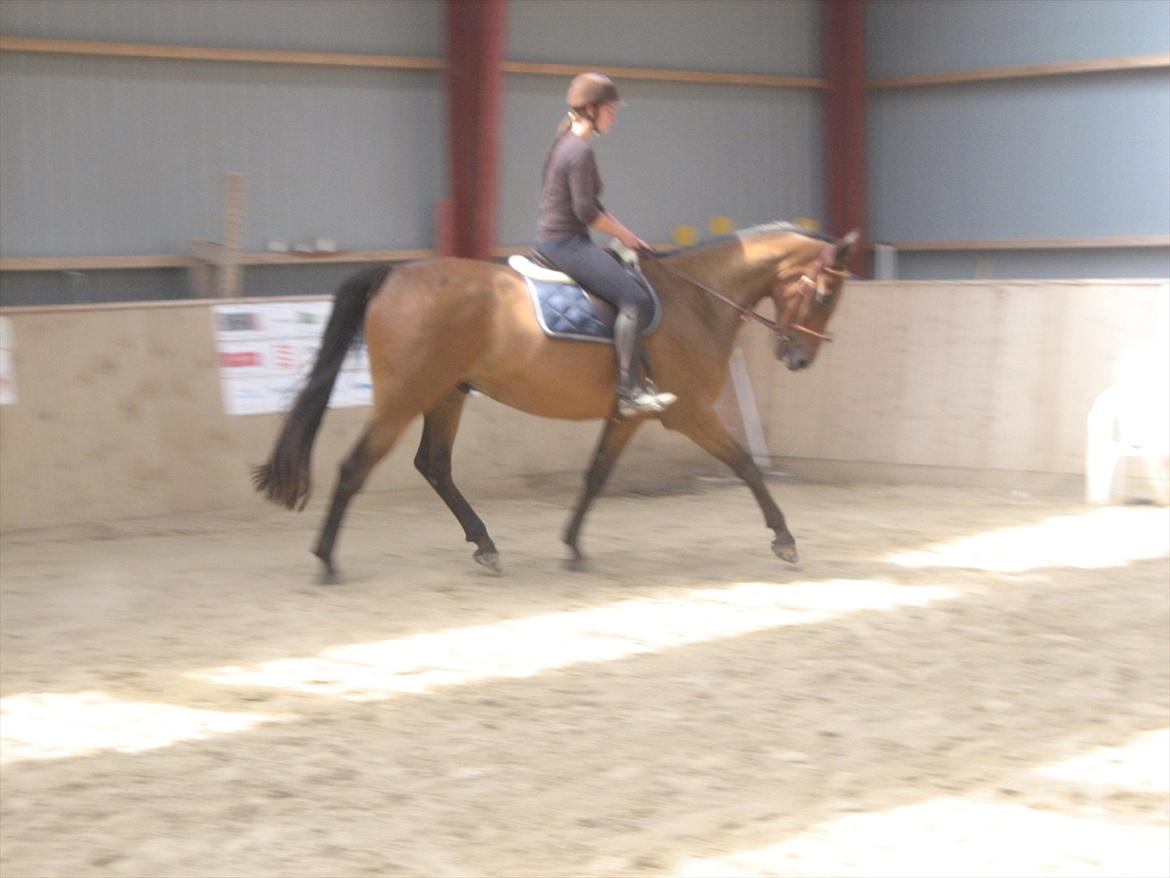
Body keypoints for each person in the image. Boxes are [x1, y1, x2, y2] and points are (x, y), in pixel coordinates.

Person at [535, 72, 677, 418]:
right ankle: (630, 392)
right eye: (611, 109)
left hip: (563, 240)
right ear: (591, 110)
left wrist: (627, 235)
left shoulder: (566, 143)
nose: (614, 116)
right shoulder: (578, 151)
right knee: (634, 297)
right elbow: (585, 212)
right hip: (565, 244)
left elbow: (593, 207)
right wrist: (624, 236)